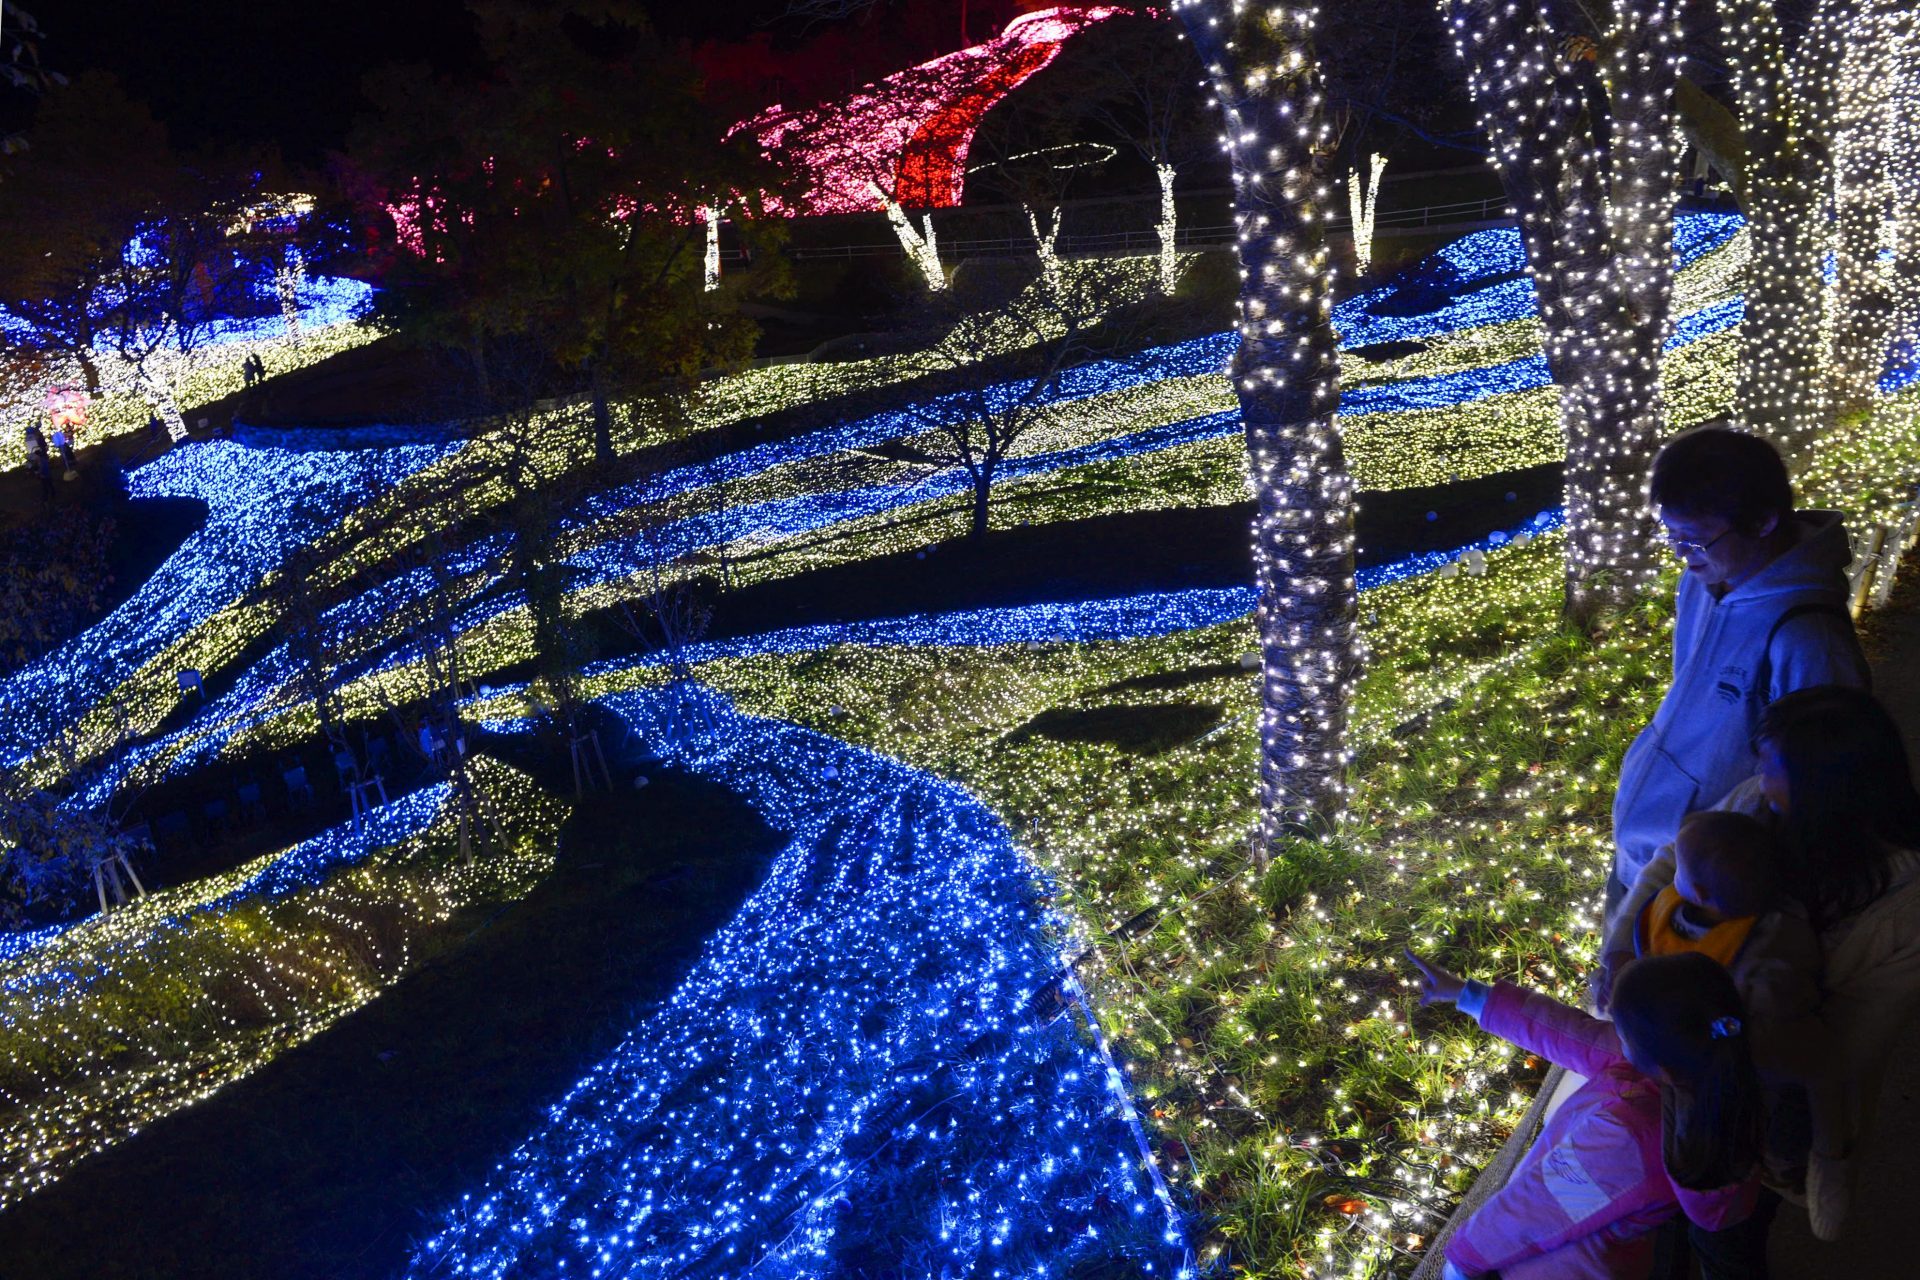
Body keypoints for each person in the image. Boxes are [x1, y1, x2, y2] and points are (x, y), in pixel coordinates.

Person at [1610, 425, 1869, 921]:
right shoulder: (1705, 580)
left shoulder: (1809, 641)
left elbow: (1816, 797)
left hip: (1703, 890)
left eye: (1696, 539)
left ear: (1765, 521)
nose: (1681, 555)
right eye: (1672, 534)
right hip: (1644, 852)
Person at [1408, 949, 1761, 1279]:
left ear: (1657, 1061)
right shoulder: (1696, 1062)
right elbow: (1569, 1033)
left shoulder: (1625, 1141)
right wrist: (1468, 994)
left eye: (1619, 1030)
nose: (1610, 1031)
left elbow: (1540, 1207)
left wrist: (1462, 1259)